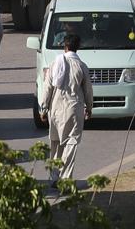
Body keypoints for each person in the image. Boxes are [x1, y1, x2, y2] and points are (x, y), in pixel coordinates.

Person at [39, 33, 94, 184]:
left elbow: (47, 88)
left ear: (65, 47)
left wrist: (43, 109)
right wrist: (89, 107)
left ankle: (54, 177)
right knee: (71, 143)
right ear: (78, 48)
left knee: (56, 143)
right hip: (74, 109)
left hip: (55, 110)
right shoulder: (82, 66)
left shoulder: (55, 64)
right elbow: (88, 90)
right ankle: (65, 178)